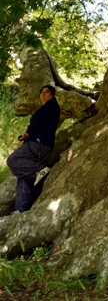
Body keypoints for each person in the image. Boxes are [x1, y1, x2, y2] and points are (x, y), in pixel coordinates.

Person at [7, 85, 60, 213]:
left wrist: (29, 132)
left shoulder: (51, 105)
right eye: (41, 92)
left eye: (46, 92)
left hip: (39, 143)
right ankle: (20, 209)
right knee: (23, 175)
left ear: (52, 95)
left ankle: (39, 170)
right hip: (38, 144)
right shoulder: (46, 107)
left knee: (12, 160)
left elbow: (44, 120)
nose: (43, 94)